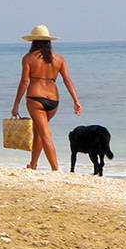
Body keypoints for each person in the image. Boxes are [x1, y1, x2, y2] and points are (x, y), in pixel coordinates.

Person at [11, 25, 82, 170]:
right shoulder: (59, 59)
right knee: (39, 131)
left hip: (35, 98)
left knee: (45, 134)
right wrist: (76, 100)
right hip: (53, 100)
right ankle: (33, 164)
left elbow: (24, 82)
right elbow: (67, 80)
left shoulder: (28, 58)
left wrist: (16, 104)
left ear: (33, 41)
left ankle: (55, 169)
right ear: (49, 41)